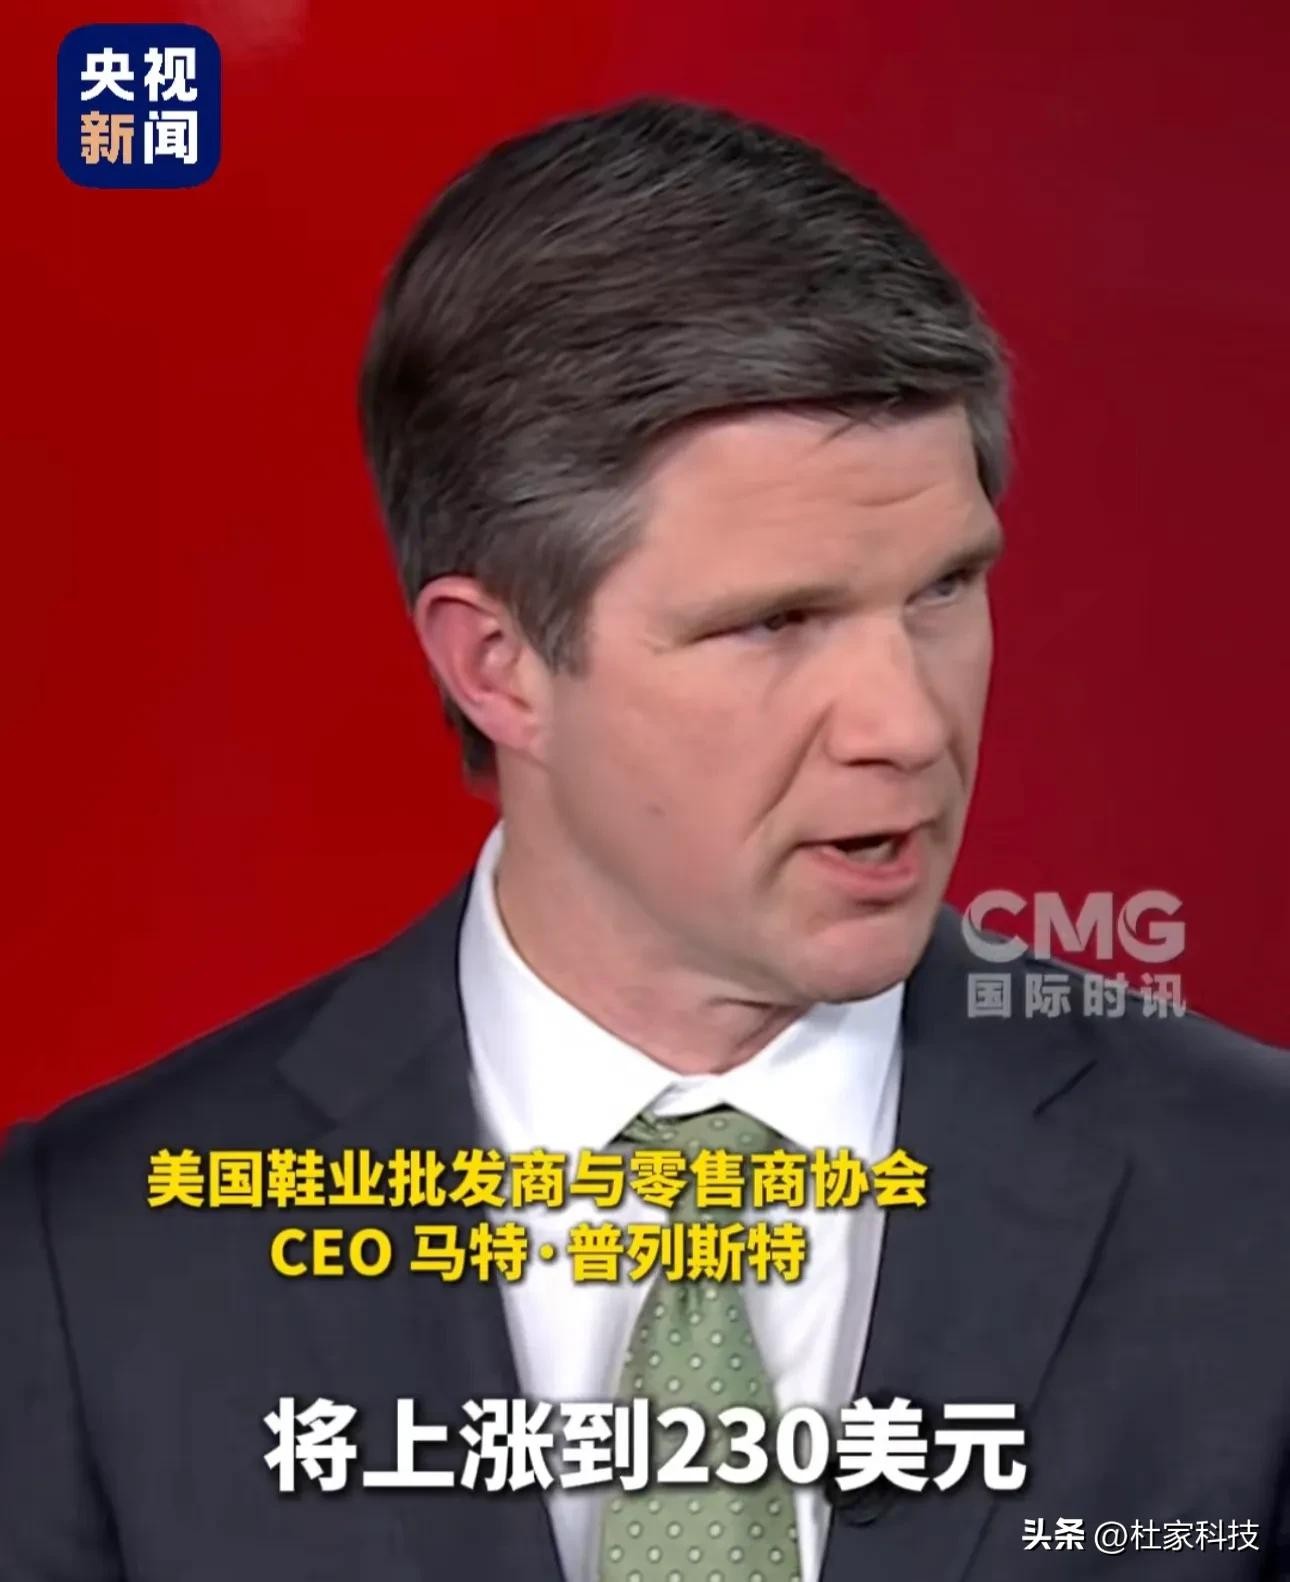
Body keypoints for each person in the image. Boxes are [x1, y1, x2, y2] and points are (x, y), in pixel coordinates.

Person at [1, 96, 1287, 1582]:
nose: (906, 724)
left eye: (942, 590)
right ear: (497, 665)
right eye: (776, 620)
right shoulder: (88, 1258)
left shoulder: (1252, 1197)